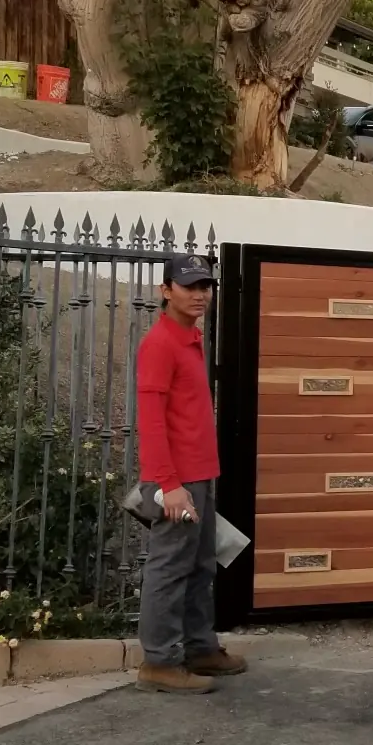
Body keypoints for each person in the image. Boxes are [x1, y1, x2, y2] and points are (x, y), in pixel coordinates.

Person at [134, 252, 246, 693]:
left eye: (206, 286)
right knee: (169, 569)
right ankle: (159, 663)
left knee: (202, 565)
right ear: (166, 291)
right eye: (189, 286)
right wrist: (168, 485)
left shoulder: (190, 338)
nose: (201, 294)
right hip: (176, 483)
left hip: (198, 476)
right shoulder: (160, 344)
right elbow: (152, 419)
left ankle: (200, 648)